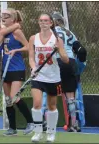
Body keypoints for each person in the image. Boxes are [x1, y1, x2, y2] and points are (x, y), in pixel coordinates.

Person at [28, 13, 69, 142]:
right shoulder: (33, 38)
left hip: (53, 77)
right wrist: (33, 67)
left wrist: (59, 50)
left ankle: (51, 133)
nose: (43, 22)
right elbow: (30, 57)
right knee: (37, 103)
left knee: (51, 106)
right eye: (41, 20)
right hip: (38, 76)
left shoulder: (57, 39)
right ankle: (38, 132)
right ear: (38, 22)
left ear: (51, 23)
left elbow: (66, 60)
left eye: (46, 20)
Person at [1, 8, 34, 136]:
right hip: (6, 68)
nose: (4, 18)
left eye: (7, 16)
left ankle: (31, 122)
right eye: (3, 15)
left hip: (17, 68)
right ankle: (12, 128)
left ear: (13, 19)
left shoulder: (17, 32)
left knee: (15, 97)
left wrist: (17, 50)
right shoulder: (3, 32)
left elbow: (28, 46)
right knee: (8, 99)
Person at [52, 11, 87, 132]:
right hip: (69, 61)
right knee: (70, 95)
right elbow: (79, 48)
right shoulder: (69, 32)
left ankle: (46, 122)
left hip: (56, 61)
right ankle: (74, 124)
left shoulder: (50, 32)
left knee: (48, 92)